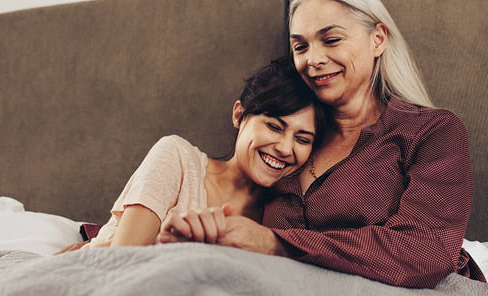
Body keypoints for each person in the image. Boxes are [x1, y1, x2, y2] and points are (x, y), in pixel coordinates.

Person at [159, 0, 485, 289]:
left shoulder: (431, 131)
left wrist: (274, 243)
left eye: (331, 40)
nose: (313, 60)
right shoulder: (289, 143)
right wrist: (192, 236)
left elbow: (424, 252)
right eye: (300, 47)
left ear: (378, 39)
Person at [69, 56, 326, 249]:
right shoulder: (177, 157)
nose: (284, 148)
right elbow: (122, 260)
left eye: (302, 139)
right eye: (274, 126)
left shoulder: (282, 221)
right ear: (239, 114)